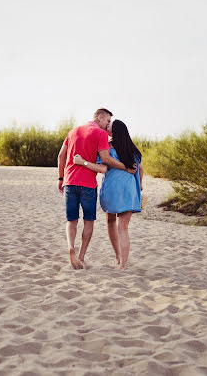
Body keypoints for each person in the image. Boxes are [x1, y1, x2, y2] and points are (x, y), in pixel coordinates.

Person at [57, 109, 136, 269]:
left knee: (71, 220)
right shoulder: (100, 135)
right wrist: (126, 168)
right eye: (107, 121)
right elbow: (105, 161)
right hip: (88, 184)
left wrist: (60, 178)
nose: (108, 126)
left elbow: (61, 156)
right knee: (88, 221)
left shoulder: (72, 131)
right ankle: (81, 256)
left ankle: (71, 247)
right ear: (100, 117)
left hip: (69, 181)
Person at [73, 119, 143, 270]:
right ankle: (123, 264)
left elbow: (102, 166)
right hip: (128, 189)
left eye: (110, 125)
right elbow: (140, 169)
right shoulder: (133, 149)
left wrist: (83, 163)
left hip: (112, 188)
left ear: (114, 131)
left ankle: (118, 255)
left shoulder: (108, 147)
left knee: (111, 222)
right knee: (123, 227)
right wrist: (140, 185)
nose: (107, 126)